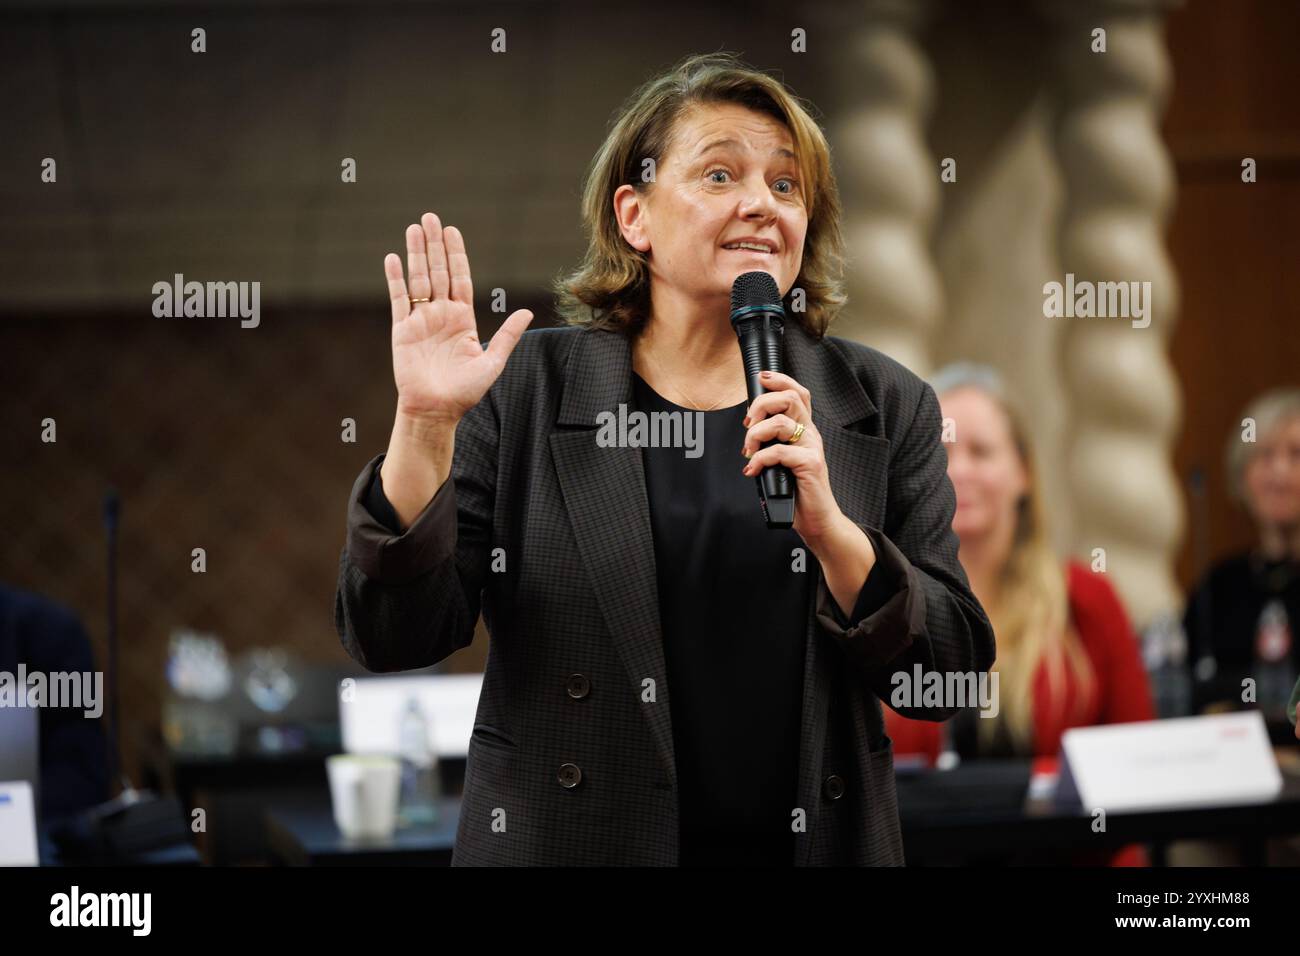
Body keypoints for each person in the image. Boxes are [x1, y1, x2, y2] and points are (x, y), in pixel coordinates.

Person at [333, 52, 995, 866]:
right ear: (633, 216)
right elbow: (393, 635)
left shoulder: (883, 405)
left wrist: (837, 540)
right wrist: (426, 425)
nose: (762, 203)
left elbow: (951, 677)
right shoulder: (527, 393)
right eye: (720, 175)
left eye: (787, 186)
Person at [1184, 388, 1300, 724]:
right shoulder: (1220, 585)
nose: (1279, 473)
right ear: (1242, 476)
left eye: (1295, 455)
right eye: (1263, 456)